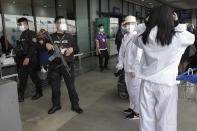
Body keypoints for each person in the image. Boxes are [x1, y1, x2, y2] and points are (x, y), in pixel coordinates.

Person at [133, 6, 195, 131]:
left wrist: (147, 23)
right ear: (170, 18)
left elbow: (136, 35)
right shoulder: (178, 37)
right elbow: (191, 38)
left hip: (147, 83)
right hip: (167, 84)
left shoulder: (145, 37)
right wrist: (177, 24)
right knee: (167, 119)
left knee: (146, 117)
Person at [45, 16, 83, 114]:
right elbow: (41, 48)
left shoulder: (70, 36)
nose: (63, 24)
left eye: (64, 23)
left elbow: (77, 48)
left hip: (68, 65)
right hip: (54, 66)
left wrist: (72, 49)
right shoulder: (50, 37)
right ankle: (56, 105)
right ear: (56, 24)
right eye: (61, 23)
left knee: (71, 87)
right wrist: (46, 45)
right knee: (55, 87)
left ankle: (75, 105)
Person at [116, 16, 143, 120]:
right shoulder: (125, 38)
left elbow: (139, 56)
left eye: (132, 24)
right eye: (128, 24)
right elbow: (121, 53)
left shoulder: (137, 37)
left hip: (134, 71)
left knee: (135, 91)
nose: (130, 26)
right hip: (127, 69)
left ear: (136, 25)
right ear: (124, 26)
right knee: (130, 90)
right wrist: (119, 65)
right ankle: (132, 108)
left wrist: (134, 69)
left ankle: (137, 112)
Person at [16, 17, 43, 102]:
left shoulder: (31, 33)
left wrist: (28, 57)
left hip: (31, 60)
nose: (19, 26)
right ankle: (21, 95)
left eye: (20, 24)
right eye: (18, 25)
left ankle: (39, 92)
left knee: (34, 77)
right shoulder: (22, 35)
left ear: (26, 24)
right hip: (22, 60)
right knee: (22, 78)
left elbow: (33, 46)